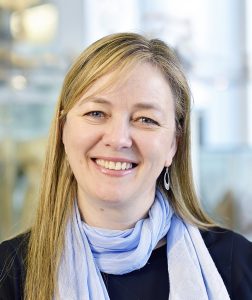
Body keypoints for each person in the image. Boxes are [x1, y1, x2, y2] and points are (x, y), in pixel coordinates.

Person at [0, 32, 252, 300]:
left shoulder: (238, 265)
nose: (118, 139)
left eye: (145, 119)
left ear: (173, 146)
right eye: (96, 113)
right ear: (63, 131)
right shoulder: (9, 273)